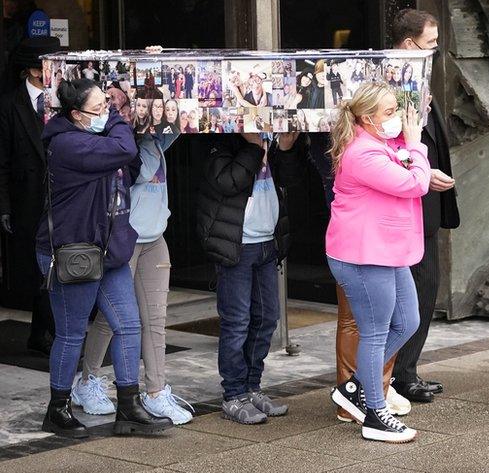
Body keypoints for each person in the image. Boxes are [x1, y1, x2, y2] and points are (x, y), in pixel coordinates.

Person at [35, 78, 172, 437]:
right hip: (73, 250)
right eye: (100, 108)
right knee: (70, 334)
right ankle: (58, 407)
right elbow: (124, 150)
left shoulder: (93, 137)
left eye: (108, 106)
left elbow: (129, 166)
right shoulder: (66, 144)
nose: (107, 113)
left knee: (128, 325)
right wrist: (116, 120)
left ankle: (128, 406)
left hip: (107, 248)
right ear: (77, 115)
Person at [327, 82, 427, 443]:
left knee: (408, 321)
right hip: (362, 254)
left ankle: (354, 388)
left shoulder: (378, 144)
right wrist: (416, 146)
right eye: (389, 112)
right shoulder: (363, 154)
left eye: (396, 110)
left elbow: (411, 173)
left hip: (387, 250)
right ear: (367, 119)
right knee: (375, 332)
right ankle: (375, 413)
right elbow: (415, 183)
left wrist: (411, 149)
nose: (396, 118)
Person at [74, 126, 194, 424]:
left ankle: (155, 392)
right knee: (112, 317)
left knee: (155, 319)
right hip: (125, 239)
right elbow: (138, 173)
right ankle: (87, 382)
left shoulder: (155, 139)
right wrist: (140, 134)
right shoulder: (122, 145)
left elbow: (182, 125)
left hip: (155, 237)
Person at [196, 129, 301, 425]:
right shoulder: (218, 140)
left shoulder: (272, 139)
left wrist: (287, 150)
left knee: (268, 317)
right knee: (237, 321)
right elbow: (228, 182)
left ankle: (252, 387)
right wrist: (253, 147)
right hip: (236, 245)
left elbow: (291, 183)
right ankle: (233, 394)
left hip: (268, 242)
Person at [389, 9, 460, 403]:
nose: (435, 50)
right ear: (408, 44)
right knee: (412, 290)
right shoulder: (386, 85)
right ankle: (400, 374)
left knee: (426, 286)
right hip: (405, 201)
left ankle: (408, 370)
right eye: (431, 43)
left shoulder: (418, 80)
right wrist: (422, 170)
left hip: (426, 201)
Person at [0, 36, 61, 354]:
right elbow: (3, 160)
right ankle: (43, 331)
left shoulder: (64, 99)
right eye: (44, 66)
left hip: (64, 195)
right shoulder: (10, 105)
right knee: (39, 267)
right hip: (28, 199)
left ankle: (48, 331)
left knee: (59, 262)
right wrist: (5, 205)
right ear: (32, 70)